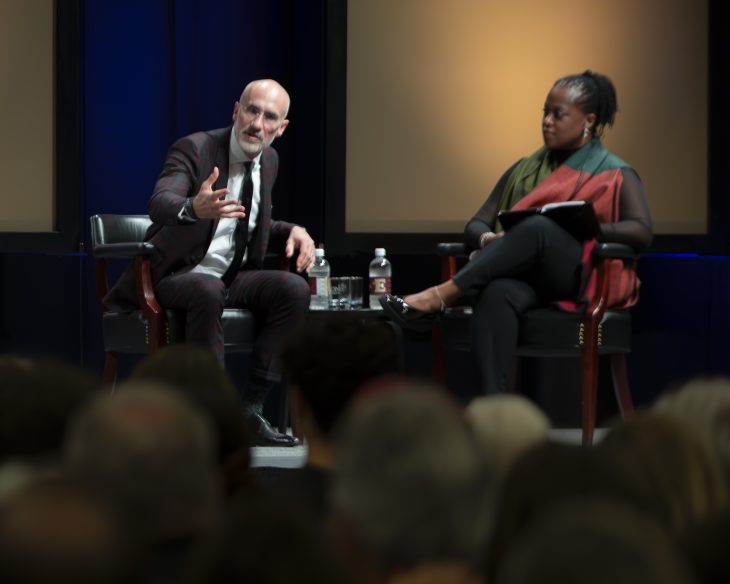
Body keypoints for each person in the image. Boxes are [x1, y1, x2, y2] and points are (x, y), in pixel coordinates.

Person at [380, 71, 652, 395]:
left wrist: (587, 226)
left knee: (537, 227)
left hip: (574, 275)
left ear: (588, 120)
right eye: (545, 113)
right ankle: (497, 414)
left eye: (558, 114)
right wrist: (487, 240)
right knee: (497, 293)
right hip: (526, 277)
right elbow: (477, 223)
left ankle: (442, 294)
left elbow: (640, 231)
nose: (547, 121)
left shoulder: (614, 171)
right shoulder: (524, 168)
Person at [103, 79, 315, 446]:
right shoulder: (196, 148)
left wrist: (295, 229)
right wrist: (191, 207)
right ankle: (209, 417)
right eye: (251, 110)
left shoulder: (270, 160)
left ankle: (250, 409)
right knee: (206, 286)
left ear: (281, 128)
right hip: (174, 277)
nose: (256, 124)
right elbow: (160, 202)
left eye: (269, 117)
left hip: (229, 277)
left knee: (293, 289)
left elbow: (250, 219)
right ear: (236, 110)